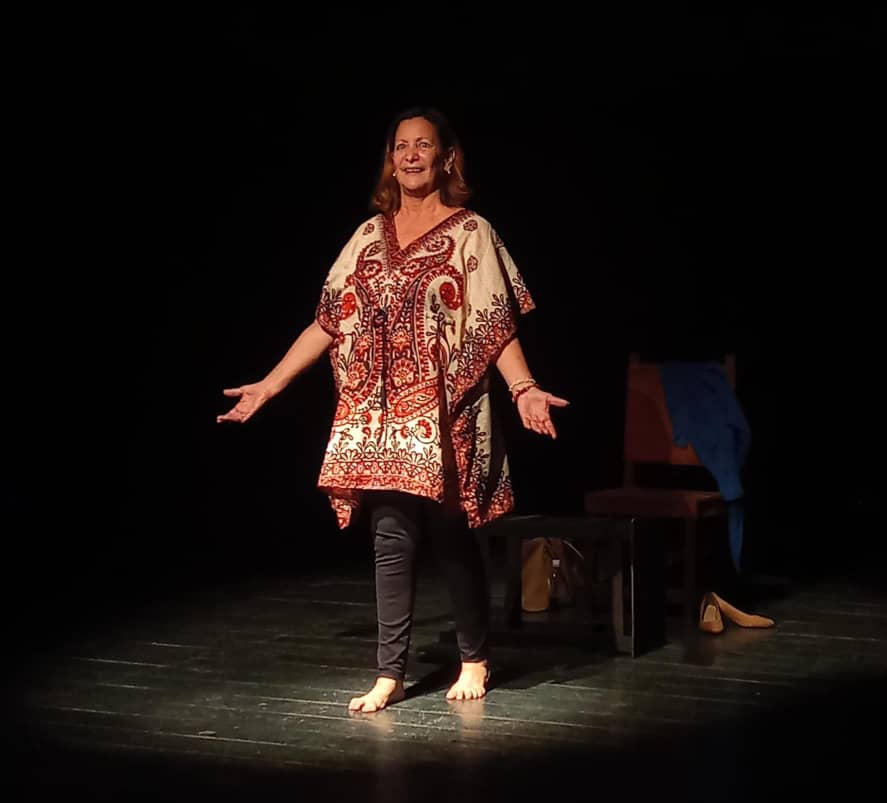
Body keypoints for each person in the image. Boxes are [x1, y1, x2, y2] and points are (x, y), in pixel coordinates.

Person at [217, 106, 568, 711]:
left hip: (446, 410)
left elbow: (494, 322)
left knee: (451, 535)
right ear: (390, 159)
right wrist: (269, 386)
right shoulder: (367, 236)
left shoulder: (471, 232)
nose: (410, 155)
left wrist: (524, 387)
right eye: (401, 146)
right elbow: (329, 322)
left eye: (423, 145)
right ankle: (390, 673)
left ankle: (474, 657)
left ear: (446, 158)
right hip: (378, 415)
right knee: (389, 536)